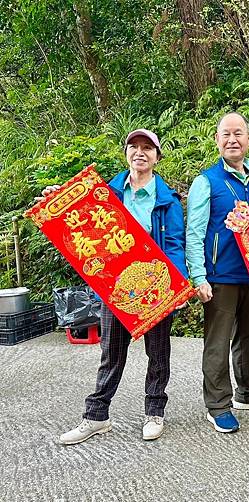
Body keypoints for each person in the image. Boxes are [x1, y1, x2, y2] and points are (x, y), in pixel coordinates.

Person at [56, 128, 188, 444]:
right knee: (111, 353)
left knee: (158, 352)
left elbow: (175, 244)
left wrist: (177, 286)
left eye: (147, 148)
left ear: (157, 157)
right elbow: (79, 220)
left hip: (155, 285)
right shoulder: (105, 192)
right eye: (134, 146)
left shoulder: (166, 199)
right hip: (114, 287)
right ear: (126, 152)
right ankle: (96, 416)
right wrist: (55, 200)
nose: (140, 152)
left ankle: (155, 411)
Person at [186, 112, 249, 434]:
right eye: (225, 134)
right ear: (217, 140)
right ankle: (218, 405)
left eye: (238, 133)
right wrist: (198, 276)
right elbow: (194, 232)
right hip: (220, 276)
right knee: (217, 343)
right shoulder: (206, 181)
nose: (232, 140)